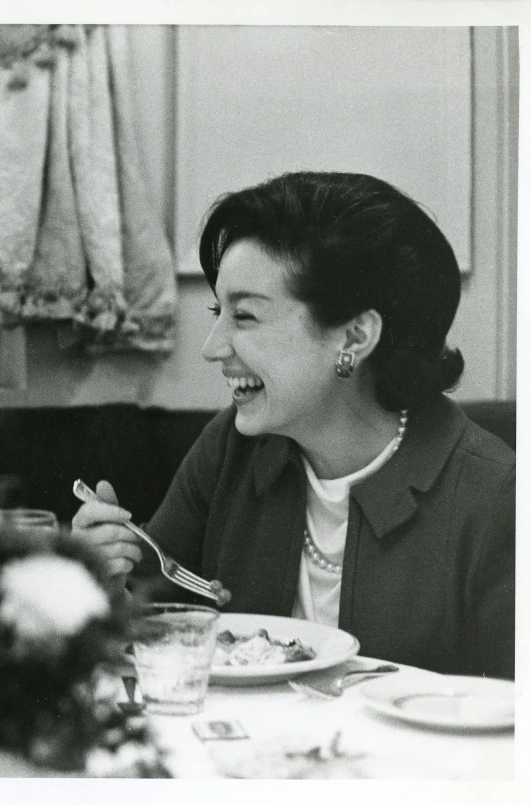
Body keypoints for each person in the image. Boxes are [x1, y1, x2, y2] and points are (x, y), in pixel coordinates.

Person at [73, 172, 514, 679]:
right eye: (219, 311)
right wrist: (104, 580)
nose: (212, 347)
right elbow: (161, 627)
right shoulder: (230, 447)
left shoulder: (495, 494)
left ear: (354, 335)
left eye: (245, 317)